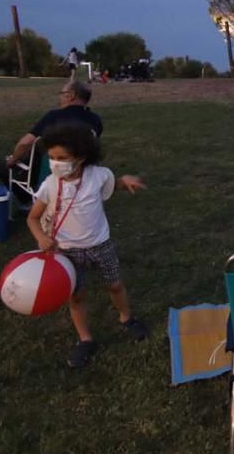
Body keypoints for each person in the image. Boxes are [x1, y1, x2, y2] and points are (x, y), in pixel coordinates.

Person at [26, 123, 147, 368]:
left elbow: (112, 185)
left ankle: (126, 318)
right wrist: (41, 237)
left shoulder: (98, 175)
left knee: (115, 285)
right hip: (66, 251)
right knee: (76, 296)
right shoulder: (50, 184)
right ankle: (85, 339)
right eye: (51, 158)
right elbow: (32, 217)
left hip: (100, 245)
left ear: (81, 157)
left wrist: (125, 181)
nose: (55, 163)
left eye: (62, 158)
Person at [0, 81, 103, 189]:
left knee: (2, 167)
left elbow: (25, 143)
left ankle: (28, 200)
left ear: (71, 95)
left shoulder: (54, 117)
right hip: (84, 171)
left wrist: (13, 160)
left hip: (55, 170)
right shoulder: (95, 120)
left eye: (62, 93)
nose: (60, 97)